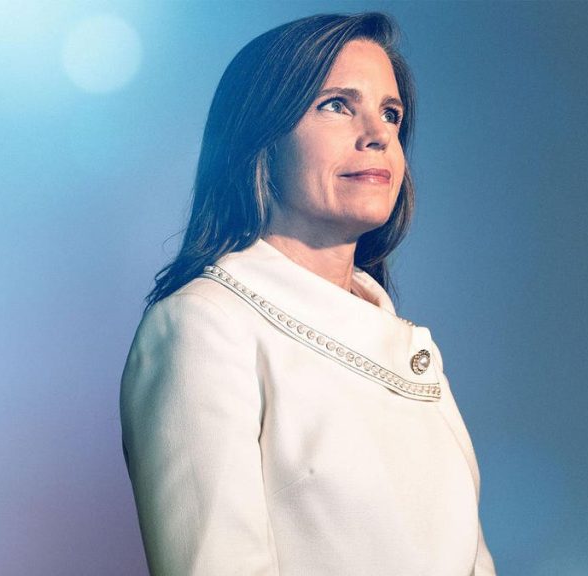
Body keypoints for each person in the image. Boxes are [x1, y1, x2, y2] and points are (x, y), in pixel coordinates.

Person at [120, 12, 496, 576]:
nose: (378, 134)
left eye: (391, 114)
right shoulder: (204, 325)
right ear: (262, 137)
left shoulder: (416, 356)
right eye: (337, 105)